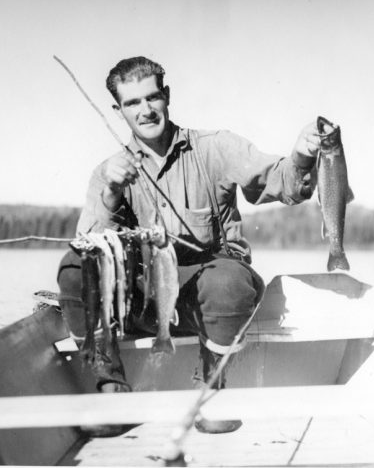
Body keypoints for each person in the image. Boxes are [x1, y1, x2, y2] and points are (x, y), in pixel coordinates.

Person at [57, 56, 322, 436]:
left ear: (166, 96)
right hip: (146, 302)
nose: (146, 111)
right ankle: (111, 388)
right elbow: (89, 245)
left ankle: (210, 388)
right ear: (118, 111)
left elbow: (283, 181)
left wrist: (301, 155)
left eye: (152, 98)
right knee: (73, 268)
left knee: (229, 281)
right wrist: (112, 194)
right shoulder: (108, 172)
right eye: (133, 103)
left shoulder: (216, 148)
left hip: (211, 301)